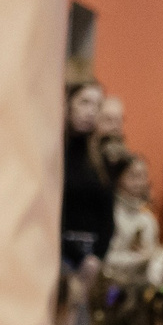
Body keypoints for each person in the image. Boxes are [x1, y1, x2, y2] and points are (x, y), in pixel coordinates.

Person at [57, 82, 111, 271]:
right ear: (68, 103)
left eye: (97, 106)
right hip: (60, 250)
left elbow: (107, 216)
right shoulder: (55, 153)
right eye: (84, 102)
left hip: (93, 255)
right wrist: (79, 257)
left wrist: (96, 257)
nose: (90, 112)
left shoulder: (100, 157)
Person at [101, 151, 159, 291]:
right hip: (110, 286)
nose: (139, 182)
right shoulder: (110, 213)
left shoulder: (148, 218)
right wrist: (140, 259)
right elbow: (105, 258)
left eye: (143, 176)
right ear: (118, 178)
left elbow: (152, 258)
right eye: (133, 176)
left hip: (140, 288)